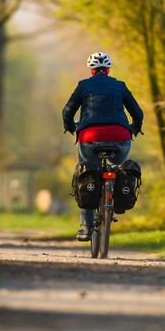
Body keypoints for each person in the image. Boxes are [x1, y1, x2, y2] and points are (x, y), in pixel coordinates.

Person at [61, 52, 144, 241]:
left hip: (90, 139)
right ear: (108, 69)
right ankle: (113, 198)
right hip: (120, 138)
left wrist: (71, 127)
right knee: (118, 168)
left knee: (86, 171)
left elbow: (67, 112)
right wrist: (134, 129)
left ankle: (85, 227)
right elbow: (138, 113)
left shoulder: (83, 86)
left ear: (91, 70)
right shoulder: (119, 86)